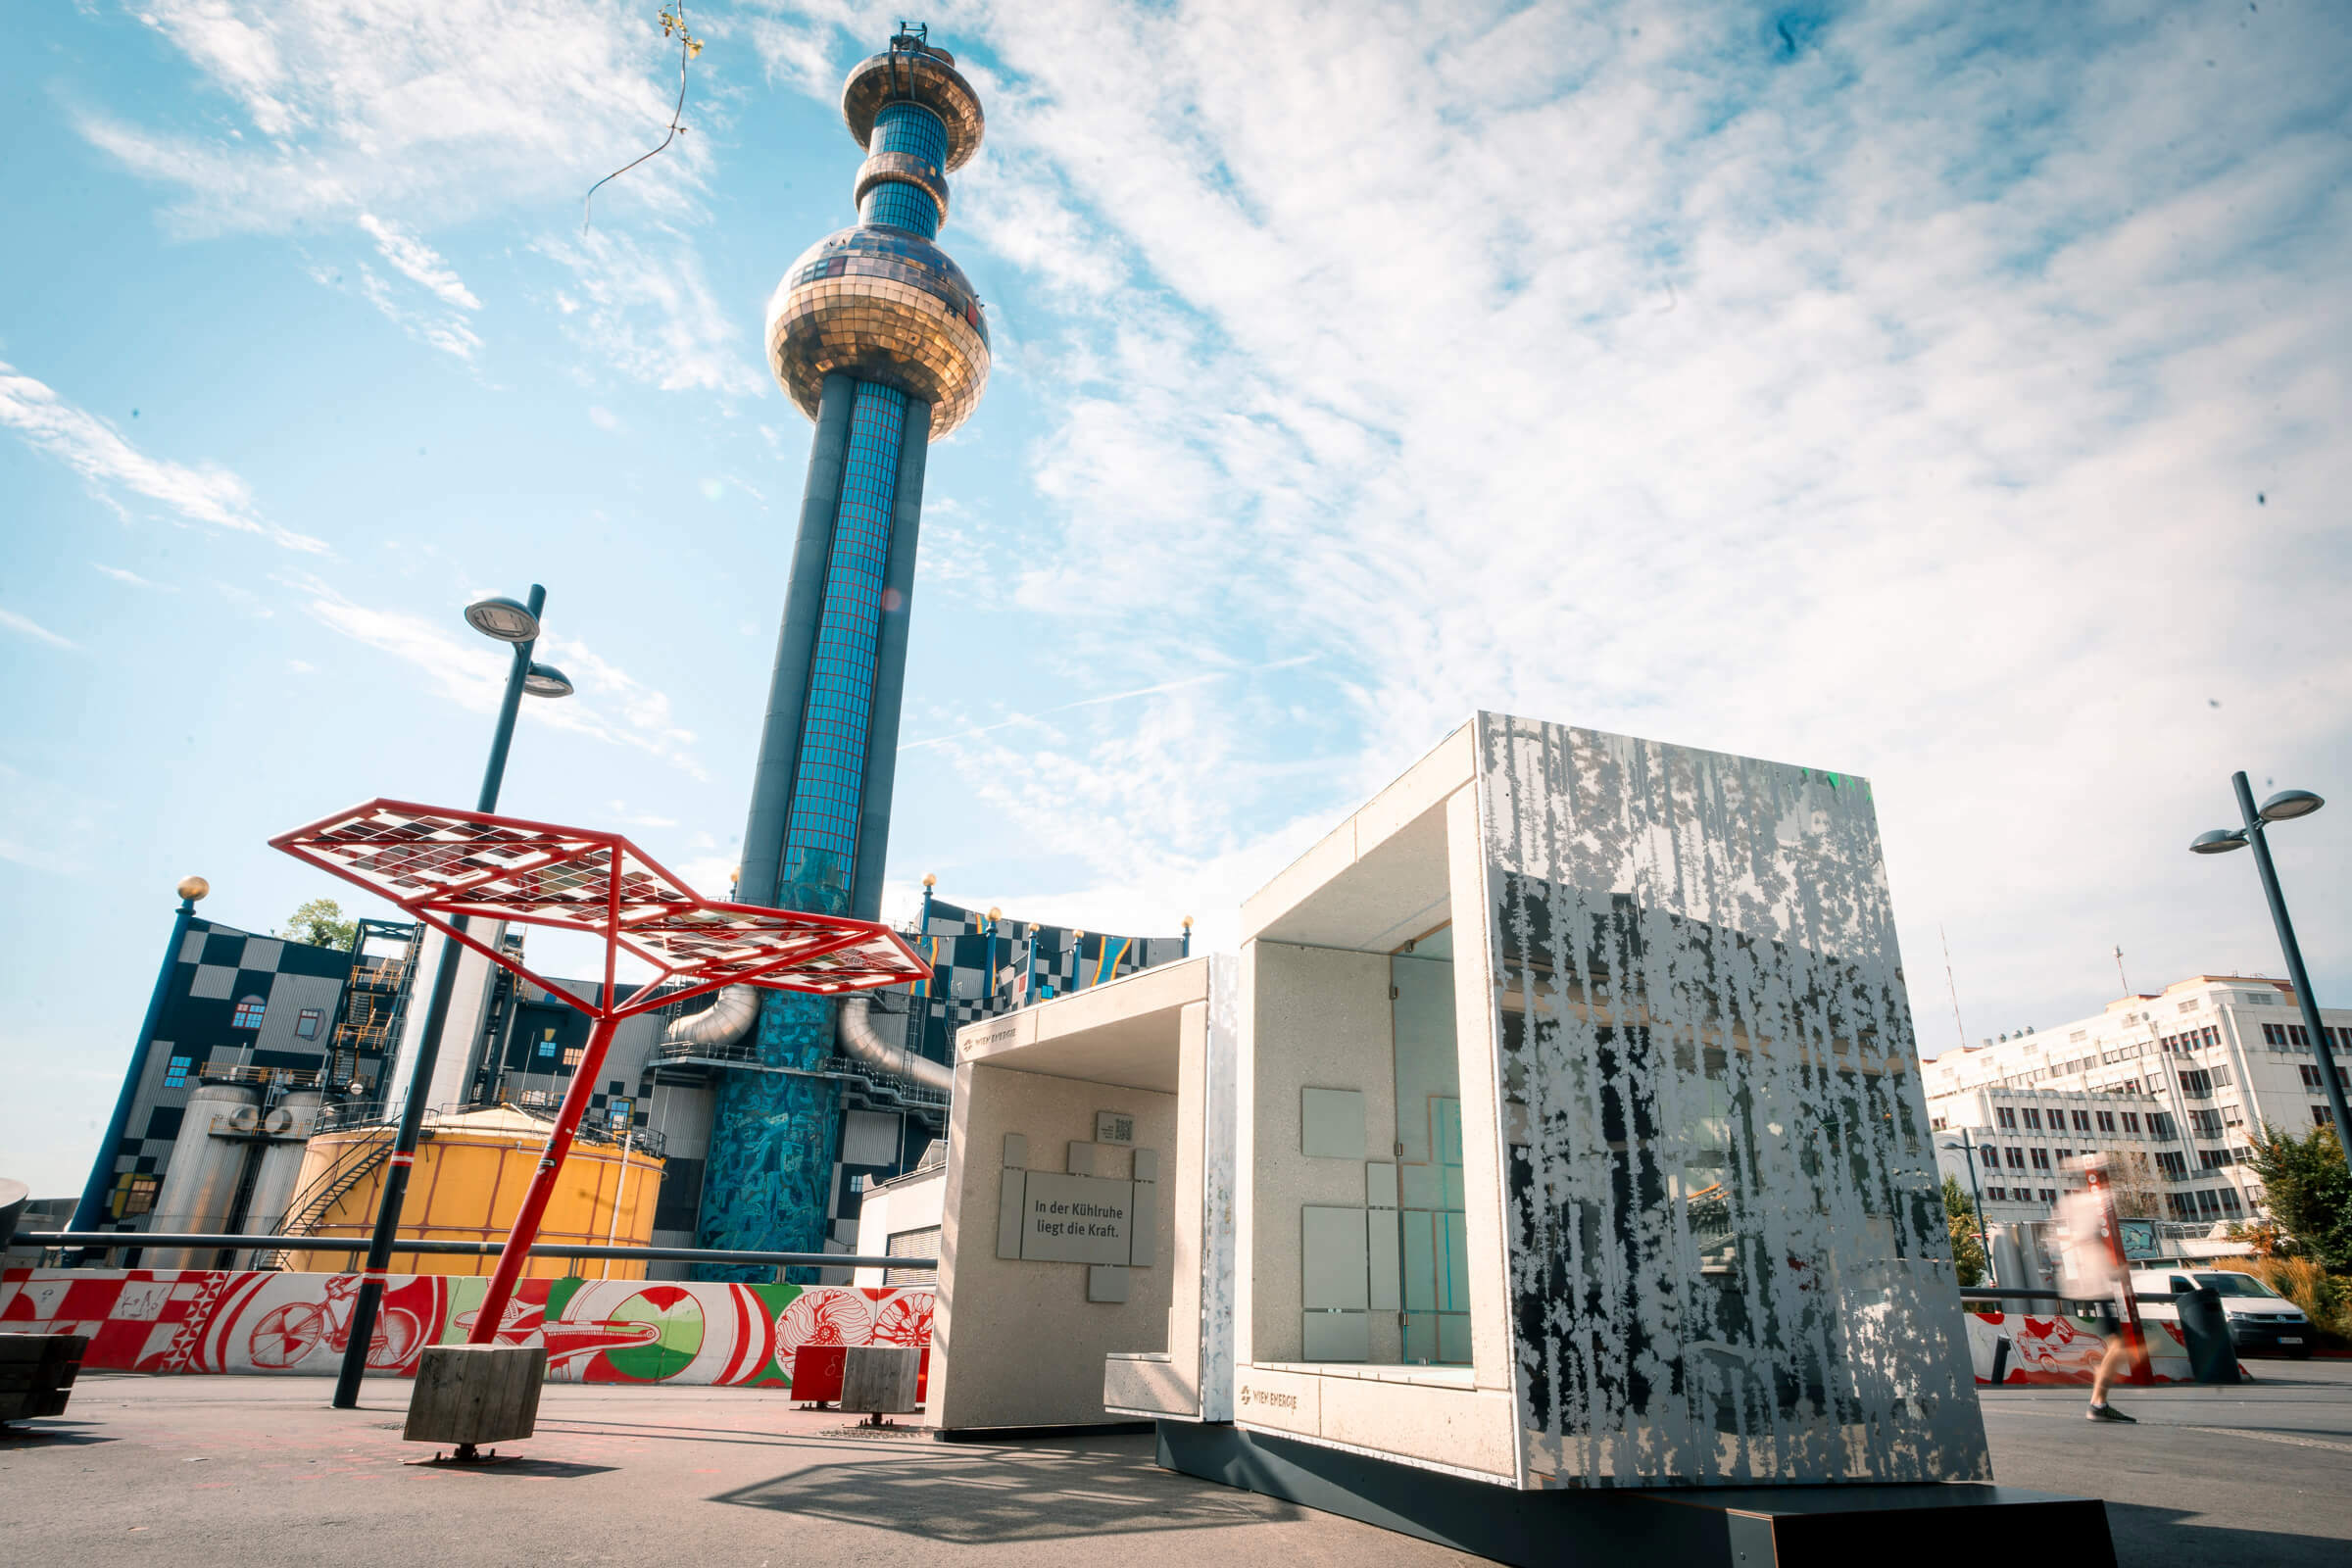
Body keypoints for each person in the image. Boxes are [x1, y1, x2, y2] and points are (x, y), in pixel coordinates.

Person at [2054, 1156, 2143, 1422]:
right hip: (2097, 1281)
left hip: (2083, 1281)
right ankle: (2098, 1402)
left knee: (2116, 1344)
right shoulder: (2096, 1202)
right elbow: (2091, 1237)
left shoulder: (2067, 1203)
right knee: (2120, 1344)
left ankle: (2099, 1395)